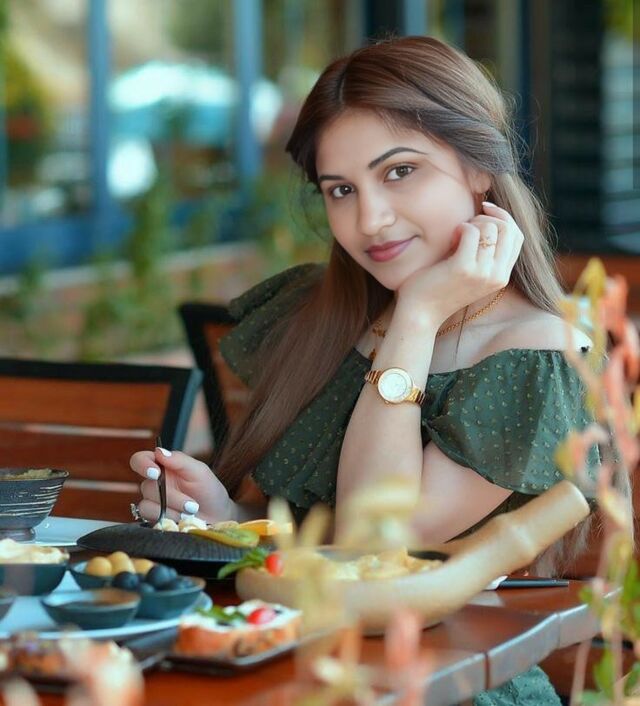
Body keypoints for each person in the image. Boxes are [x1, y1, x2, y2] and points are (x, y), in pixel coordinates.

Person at [131, 36, 598, 705]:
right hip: (284, 664)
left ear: (478, 168)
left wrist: (418, 315)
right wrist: (228, 518)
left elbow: (376, 540)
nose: (369, 219)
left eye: (400, 171)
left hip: (440, 681)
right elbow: (327, 544)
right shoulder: (324, 313)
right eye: (341, 190)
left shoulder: (533, 356)